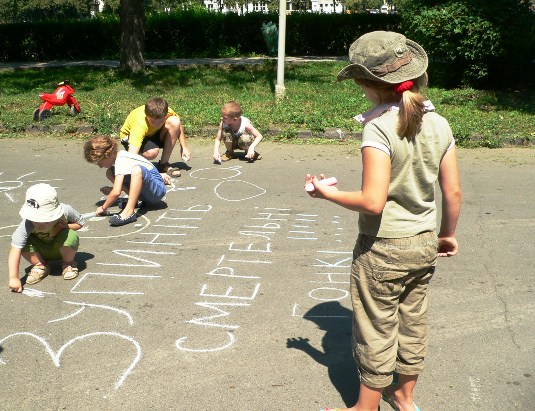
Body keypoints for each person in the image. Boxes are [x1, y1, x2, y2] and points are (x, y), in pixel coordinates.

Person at [310, 31, 462, 411]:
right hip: (424, 241)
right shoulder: (439, 123)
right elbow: (453, 193)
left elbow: (372, 202)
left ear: (365, 83)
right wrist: (448, 234)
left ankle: (365, 408)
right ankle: (405, 397)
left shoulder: (378, 127)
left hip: (383, 248)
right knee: (413, 323)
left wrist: (326, 192)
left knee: (376, 329)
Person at [8, 183, 85, 292]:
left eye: (44, 220)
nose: (38, 223)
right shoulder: (28, 223)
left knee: (71, 235)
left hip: (60, 247)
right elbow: (15, 248)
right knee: (21, 242)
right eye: (35, 219)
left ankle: (68, 263)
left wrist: (65, 227)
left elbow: (80, 223)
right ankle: (41, 265)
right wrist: (14, 278)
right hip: (39, 251)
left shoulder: (65, 211)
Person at [84, 135, 167, 227]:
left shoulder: (122, 159)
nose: (100, 166)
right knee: (110, 172)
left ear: (109, 154)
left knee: (137, 170)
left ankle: (129, 212)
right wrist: (113, 188)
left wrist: (104, 207)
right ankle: (136, 201)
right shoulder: (118, 157)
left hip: (157, 191)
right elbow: (117, 189)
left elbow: (116, 192)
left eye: (100, 162)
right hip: (146, 193)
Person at [120, 97, 191, 178]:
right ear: (146, 116)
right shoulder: (139, 124)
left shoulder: (167, 111)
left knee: (174, 121)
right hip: (129, 138)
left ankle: (163, 165)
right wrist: (158, 176)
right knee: (152, 153)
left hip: (152, 133)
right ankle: (130, 161)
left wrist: (184, 147)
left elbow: (178, 125)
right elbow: (132, 155)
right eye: (153, 121)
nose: (157, 124)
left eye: (161, 121)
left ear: (166, 114)